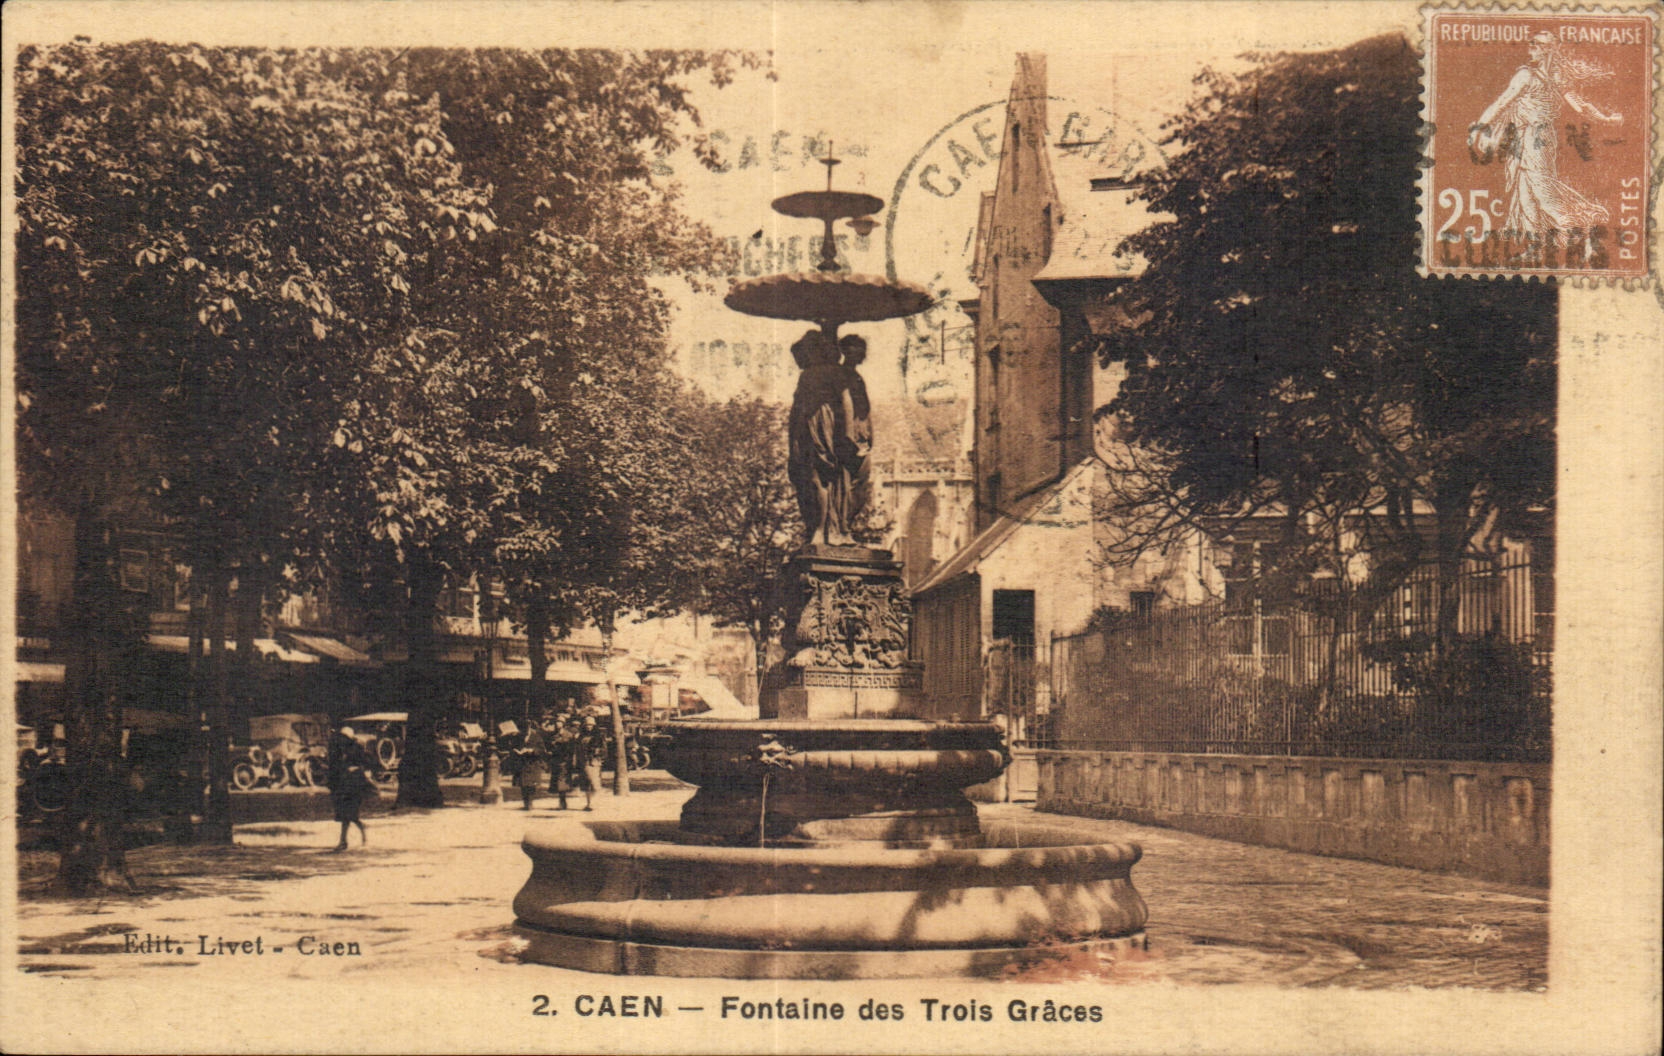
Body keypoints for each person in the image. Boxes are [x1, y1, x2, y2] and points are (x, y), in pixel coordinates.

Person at [1468, 31, 1623, 256]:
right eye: (1531, 42)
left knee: (1543, 194)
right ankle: (1535, 247)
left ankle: (1584, 241)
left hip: (1534, 137)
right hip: (1534, 138)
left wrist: (1479, 127)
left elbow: (1502, 102)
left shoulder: (1529, 76)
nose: (1530, 46)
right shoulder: (1555, 77)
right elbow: (1581, 106)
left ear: (1547, 49)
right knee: (1525, 194)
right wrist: (1606, 118)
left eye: (1536, 44)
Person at [325, 725, 372, 852]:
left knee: (350, 815)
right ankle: (345, 840)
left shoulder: (357, 748)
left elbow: (366, 762)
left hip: (354, 784)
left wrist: (356, 768)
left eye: (344, 737)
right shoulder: (339, 750)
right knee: (344, 815)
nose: (342, 739)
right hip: (343, 785)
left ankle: (348, 840)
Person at [514, 719, 550, 810]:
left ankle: (530, 803)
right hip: (523, 763)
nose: (525, 731)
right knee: (523, 784)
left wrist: (532, 751)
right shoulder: (519, 737)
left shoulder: (537, 737)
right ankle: (526, 803)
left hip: (533, 763)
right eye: (523, 729)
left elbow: (542, 750)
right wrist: (517, 751)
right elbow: (514, 747)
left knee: (532, 784)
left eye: (526, 728)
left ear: (529, 727)